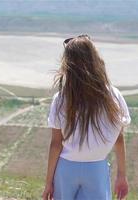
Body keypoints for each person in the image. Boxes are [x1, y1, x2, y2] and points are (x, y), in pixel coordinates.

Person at [42, 34, 131, 200]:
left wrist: (48, 183)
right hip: (96, 168)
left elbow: (56, 144)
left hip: (66, 168)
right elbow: (118, 139)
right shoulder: (113, 95)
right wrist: (122, 175)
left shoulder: (61, 99)